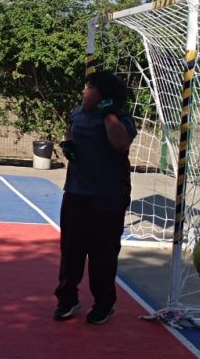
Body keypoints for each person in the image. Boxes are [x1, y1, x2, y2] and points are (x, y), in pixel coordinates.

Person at [53, 70, 136, 325]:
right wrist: (69, 145)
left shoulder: (120, 119)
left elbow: (120, 144)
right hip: (76, 193)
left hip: (108, 197)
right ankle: (67, 299)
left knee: (103, 255)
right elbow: (71, 131)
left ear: (103, 96)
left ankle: (103, 304)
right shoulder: (78, 113)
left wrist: (108, 114)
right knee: (71, 251)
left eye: (89, 87)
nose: (84, 91)